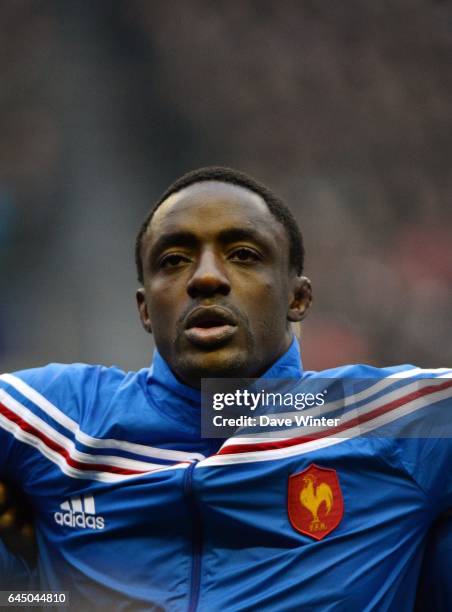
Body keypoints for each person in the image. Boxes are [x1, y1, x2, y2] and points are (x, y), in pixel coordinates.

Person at [0, 166, 451, 610]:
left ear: (298, 297)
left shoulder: (390, 422)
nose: (206, 278)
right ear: (144, 309)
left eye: (244, 255)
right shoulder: (56, 420)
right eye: (174, 260)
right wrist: (29, 593)